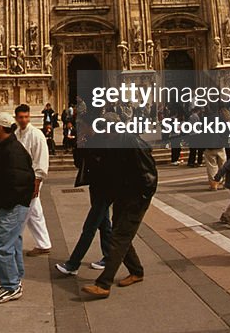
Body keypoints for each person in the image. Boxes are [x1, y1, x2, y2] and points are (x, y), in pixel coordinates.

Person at [81, 115, 158, 299]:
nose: (104, 132)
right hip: (123, 196)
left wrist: (141, 197)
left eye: (107, 128)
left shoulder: (131, 142)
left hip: (136, 199)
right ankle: (136, 271)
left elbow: (149, 175)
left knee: (118, 237)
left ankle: (104, 284)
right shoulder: (112, 141)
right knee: (120, 234)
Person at [0, 113, 35, 304]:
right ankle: (14, 280)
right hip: (12, 204)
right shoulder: (6, 147)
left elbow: (19, 181)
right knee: (13, 243)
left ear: (1, 128)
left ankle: (11, 286)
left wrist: (3, 203)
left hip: (11, 206)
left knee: (2, 247)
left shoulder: (12, 150)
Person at [55, 144, 110, 277]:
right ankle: (109, 256)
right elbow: (79, 162)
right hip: (95, 185)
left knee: (90, 227)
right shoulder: (87, 142)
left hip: (106, 188)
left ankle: (73, 263)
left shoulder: (105, 141)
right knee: (104, 223)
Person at [14, 104, 52, 257]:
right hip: (21, 178)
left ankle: (8, 245)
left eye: (26, 117)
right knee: (35, 212)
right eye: (21, 117)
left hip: (32, 179)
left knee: (21, 212)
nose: (24, 120)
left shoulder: (36, 134)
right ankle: (44, 243)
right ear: (16, 118)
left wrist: (38, 180)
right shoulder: (17, 133)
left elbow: (42, 159)